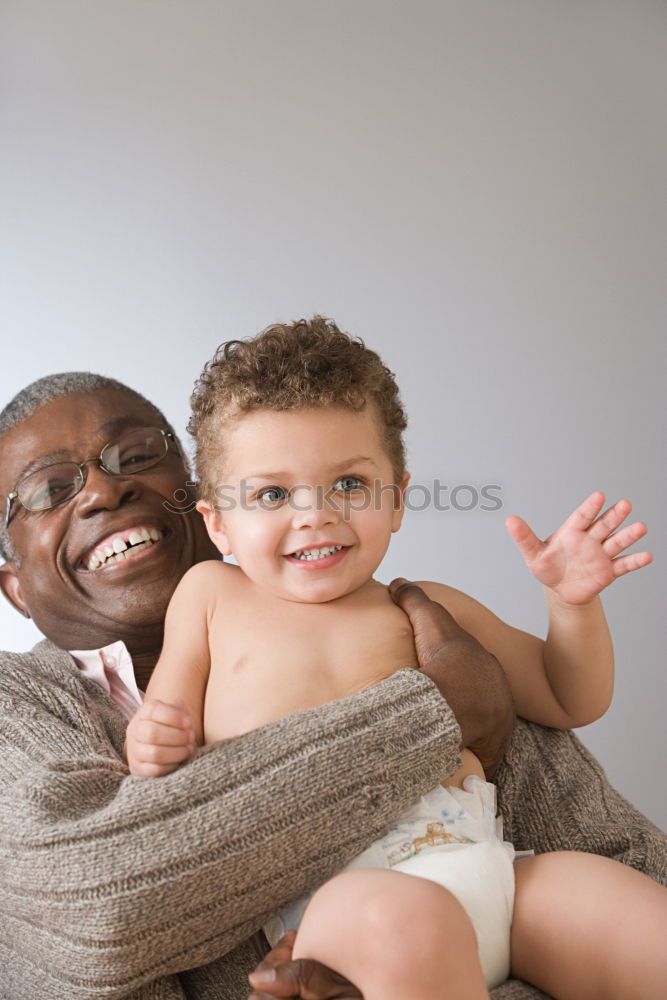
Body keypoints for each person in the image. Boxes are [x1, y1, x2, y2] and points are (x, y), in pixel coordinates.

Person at [0, 372, 663, 1000]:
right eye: (47, 489)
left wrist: (571, 607)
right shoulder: (198, 609)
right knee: (401, 920)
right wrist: (429, 713)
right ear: (220, 516)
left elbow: (568, 700)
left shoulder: (428, 612)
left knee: (628, 916)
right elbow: (103, 896)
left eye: (135, 455)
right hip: (351, 901)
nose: (102, 492)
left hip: (489, 865)